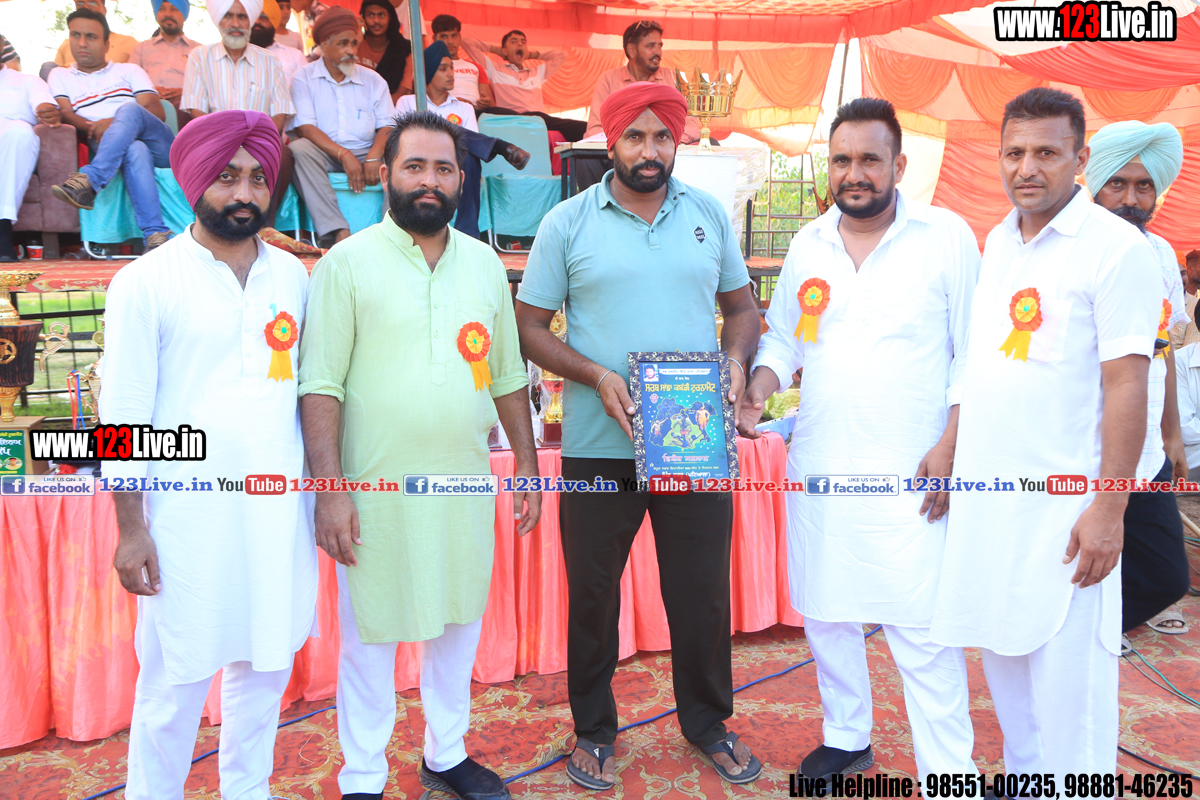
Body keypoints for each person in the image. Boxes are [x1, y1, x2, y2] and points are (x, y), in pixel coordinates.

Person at [514, 82, 763, 790]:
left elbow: (743, 310)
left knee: (701, 593)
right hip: (598, 446)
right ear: (611, 142)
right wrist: (595, 375)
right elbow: (528, 327)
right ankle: (594, 730)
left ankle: (708, 724)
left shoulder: (707, 214)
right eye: (635, 136)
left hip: (693, 441)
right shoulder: (567, 223)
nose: (649, 151)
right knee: (593, 597)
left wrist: (734, 362)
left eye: (662, 137)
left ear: (676, 142)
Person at [299, 110, 540, 800]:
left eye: (443, 168)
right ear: (386, 176)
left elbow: (506, 375)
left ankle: (446, 752)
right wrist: (331, 490)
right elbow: (320, 385)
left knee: (459, 622)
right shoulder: (345, 265)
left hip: (464, 485)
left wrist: (526, 466)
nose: (429, 181)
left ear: (461, 180)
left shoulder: (485, 264)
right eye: (414, 166)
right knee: (371, 639)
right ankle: (363, 774)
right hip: (373, 491)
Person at [738, 98, 981, 780]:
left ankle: (951, 775)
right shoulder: (809, 243)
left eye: (870, 159)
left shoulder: (946, 236)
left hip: (915, 469)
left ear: (898, 165)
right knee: (827, 611)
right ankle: (847, 736)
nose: (855, 173)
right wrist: (758, 389)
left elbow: (975, 351)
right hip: (821, 462)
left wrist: (952, 444)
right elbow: (783, 338)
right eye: (842, 160)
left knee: (922, 628)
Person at [931, 87, 1162, 774]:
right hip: (991, 505)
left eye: (1046, 153)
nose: (1026, 168)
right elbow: (981, 362)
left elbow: (1128, 384)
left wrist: (1110, 509)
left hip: (1067, 515)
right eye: (1014, 152)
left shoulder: (1117, 249)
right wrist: (951, 445)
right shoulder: (1000, 240)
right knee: (1005, 665)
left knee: (1071, 701)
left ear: (1080, 159)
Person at [100, 109, 318, 800]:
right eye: (227, 177)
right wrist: (131, 529)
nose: (244, 193)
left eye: (257, 178)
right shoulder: (145, 280)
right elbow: (122, 415)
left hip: (276, 515)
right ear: (195, 182)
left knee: (264, 672)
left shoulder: (292, 277)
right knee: (173, 685)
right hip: (184, 523)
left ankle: (247, 791)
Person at [1086, 120, 1192, 644]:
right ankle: (1088, 632)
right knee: (1084, 545)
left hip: (1146, 442)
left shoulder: (1161, 254)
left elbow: (1162, 351)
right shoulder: (1073, 247)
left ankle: (1098, 626)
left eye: (1144, 186)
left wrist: (1171, 435)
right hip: (1084, 441)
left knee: (1167, 574)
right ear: (1095, 184)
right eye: (1118, 184)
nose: (1131, 199)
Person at [48, 9, 175, 251]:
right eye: (75, 35)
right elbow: (65, 113)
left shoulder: (129, 71)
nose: (82, 43)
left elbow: (154, 110)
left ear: (107, 44)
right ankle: (155, 235)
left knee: (130, 109)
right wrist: (102, 127)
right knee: (135, 149)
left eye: (91, 37)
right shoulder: (60, 75)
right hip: (106, 142)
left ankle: (91, 180)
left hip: (158, 144)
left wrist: (113, 121)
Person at [397, 41, 530, 240]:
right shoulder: (408, 102)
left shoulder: (464, 108)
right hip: (416, 158)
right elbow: (401, 140)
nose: (451, 73)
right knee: (432, 123)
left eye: (451, 68)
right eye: (443, 69)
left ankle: (467, 233)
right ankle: (500, 146)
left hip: (450, 160)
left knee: (469, 158)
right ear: (429, 73)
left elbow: (469, 145)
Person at [182, 0, 295, 226]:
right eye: (228, 16)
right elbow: (197, 111)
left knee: (283, 155)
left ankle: (264, 226)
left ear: (251, 20)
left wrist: (253, 141)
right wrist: (228, 141)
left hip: (259, 142)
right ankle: (215, 226)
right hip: (215, 140)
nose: (235, 23)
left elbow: (279, 113)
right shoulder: (199, 57)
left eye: (242, 16)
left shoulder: (270, 61)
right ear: (218, 20)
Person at [289, 6, 391, 245]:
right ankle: (337, 230)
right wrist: (344, 155)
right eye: (343, 44)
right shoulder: (303, 77)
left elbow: (387, 126)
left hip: (367, 151)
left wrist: (374, 156)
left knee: (400, 155)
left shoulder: (373, 80)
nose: (351, 51)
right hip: (325, 153)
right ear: (324, 45)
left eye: (354, 43)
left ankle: (392, 230)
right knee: (298, 150)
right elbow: (305, 128)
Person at [574, 21, 700, 192]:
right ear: (632, 50)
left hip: (666, 151)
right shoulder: (609, 79)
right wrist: (627, 142)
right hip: (623, 152)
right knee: (585, 157)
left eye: (660, 46)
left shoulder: (673, 78)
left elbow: (692, 124)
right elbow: (595, 130)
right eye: (651, 46)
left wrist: (668, 139)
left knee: (710, 144)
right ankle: (600, 205)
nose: (658, 52)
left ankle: (685, 204)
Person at [462, 30, 586, 141]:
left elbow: (561, 55)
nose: (520, 44)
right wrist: (497, 50)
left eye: (523, 42)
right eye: (514, 41)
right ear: (504, 50)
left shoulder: (536, 73)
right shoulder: (494, 69)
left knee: (583, 128)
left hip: (537, 119)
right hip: (510, 117)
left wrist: (531, 54)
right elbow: (466, 43)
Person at [0, 67, 61, 261]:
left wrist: (47, 110)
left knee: (20, 131)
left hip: (11, 148)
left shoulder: (27, 81)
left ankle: (2, 230)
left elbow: (44, 103)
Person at [129, 0, 198, 110]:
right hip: (146, 105)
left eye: (174, 9)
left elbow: (206, 87)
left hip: (185, 107)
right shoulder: (141, 48)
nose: (167, 14)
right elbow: (129, 81)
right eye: (162, 9)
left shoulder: (198, 51)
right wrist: (150, 90)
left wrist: (185, 92)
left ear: (184, 14)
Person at [430, 14, 493, 110]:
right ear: (434, 39)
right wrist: (455, 101)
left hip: (475, 112)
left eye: (454, 36)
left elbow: (491, 104)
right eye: (444, 36)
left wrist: (485, 103)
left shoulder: (475, 67)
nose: (450, 41)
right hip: (443, 110)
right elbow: (423, 98)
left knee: (507, 113)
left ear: (460, 37)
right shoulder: (428, 65)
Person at [53, 0, 138, 67]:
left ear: (104, 10)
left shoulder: (128, 42)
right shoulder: (66, 45)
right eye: (80, 3)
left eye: (93, 3)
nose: (86, 7)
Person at [358, 0, 412, 102]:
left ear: (390, 17)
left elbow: (401, 93)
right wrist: (356, 39)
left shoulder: (404, 50)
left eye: (381, 15)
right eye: (371, 15)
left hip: (390, 108)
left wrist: (377, 108)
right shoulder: (355, 46)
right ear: (363, 18)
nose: (376, 20)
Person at [251, 0, 308, 86]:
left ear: (274, 21)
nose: (257, 21)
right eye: (253, 16)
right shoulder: (236, 56)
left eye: (264, 17)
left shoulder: (295, 56)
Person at [1171, 248, 1200, 350]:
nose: (1179, 279)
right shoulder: (1151, 303)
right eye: (1174, 274)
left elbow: (1188, 352)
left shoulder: (1195, 306)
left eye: (1183, 273)